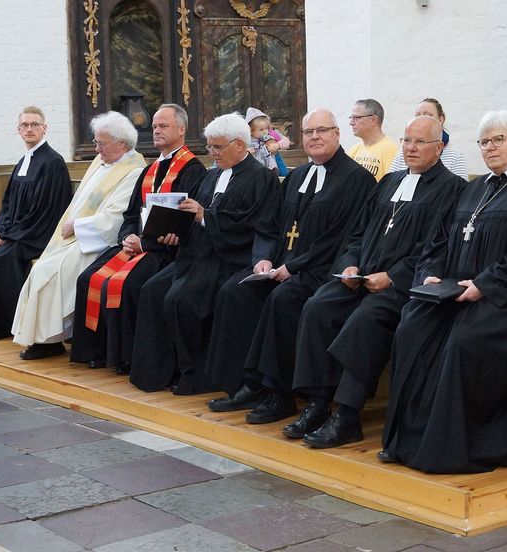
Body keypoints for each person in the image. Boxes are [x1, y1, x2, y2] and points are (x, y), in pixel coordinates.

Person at [381, 111, 507, 473]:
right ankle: (406, 440)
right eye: (484, 142)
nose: (490, 148)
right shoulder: (475, 187)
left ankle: (455, 447)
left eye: (498, 139)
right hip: (461, 291)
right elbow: (439, 241)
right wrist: (432, 275)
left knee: (464, 338)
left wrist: (485, 285)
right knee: (413, 324)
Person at [288, 116, 465, 447]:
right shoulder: (389, 181)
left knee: (367, 319)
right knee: (317, 307)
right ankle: (317, 403)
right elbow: (357, 233)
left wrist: (393, 277)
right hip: (362, 278)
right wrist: (350, 265)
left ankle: (347, 415)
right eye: (407, 140)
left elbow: (437, 248)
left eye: (420, 142)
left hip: (403, 287)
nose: (410, 148)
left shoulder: (452, 188)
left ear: (439, 148)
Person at [205, 109, 376, 418]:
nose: (315, 137)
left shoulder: (356, 179)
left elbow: (338, 238)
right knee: (237, 290)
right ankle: (246, 383)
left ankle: (280, 393)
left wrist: (293, 267)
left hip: (321, 269)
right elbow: (270, 224)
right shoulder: (297, 175)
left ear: (337, 134)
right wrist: (263, 258)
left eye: (322, 130)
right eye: (308, 132)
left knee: (283, 299)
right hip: (282, 265)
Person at [129, 112, 280, 395]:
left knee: (180, 298)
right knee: (151, 290)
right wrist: (174, 231)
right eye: (209, 146)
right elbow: (191, 218)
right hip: (195, 255)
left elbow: (251, 226)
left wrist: (205, 216)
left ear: (239, 144)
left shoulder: (261, 178)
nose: (212, 153)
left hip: (227, 258)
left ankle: (196, 374)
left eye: (217, 147)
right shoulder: (211, 176)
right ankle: (162, 370)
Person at [70, 104, 206, 374]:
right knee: (89, 278)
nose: (156, 131)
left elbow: (184, 223)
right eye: (154, 126)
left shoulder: (193, 169)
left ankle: (126, 357)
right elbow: (130, 213)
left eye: (163, 126)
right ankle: (99, 350)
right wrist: (128, 236)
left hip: (165, 251)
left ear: (181, 129)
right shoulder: (149, 170)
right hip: (137, 244)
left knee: (128, 285)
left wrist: (145, 244)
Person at [12, 111, 146, 360]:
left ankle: (50, 339)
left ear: (121, 143)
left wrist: (78, 226)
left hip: (97, 242)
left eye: (101, 143)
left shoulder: (134, 171)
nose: (97, 149)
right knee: (41, 268)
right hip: (77, 236)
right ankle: (47, 337)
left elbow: (115, 217)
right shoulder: (101, 162)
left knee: (50, 273)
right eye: (96, 142)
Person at [0, 106, 72, 342]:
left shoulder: (53, 163)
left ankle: (2, 326)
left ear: (44, 128)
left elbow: (44, 212)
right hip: (15, 233)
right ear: (18, 130)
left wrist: (9, 236)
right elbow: (8, 205)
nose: (29, 129)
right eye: (25, 125)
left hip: (36, 235)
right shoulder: (23, 161)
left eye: (34, 125)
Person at [388, 98, 469, 180]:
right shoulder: (403, 154)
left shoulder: (455, 157)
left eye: (427, 115)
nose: (421, 119)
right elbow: (390, 182)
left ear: (441, 120)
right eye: (417, 116)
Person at [347, 99, 398, 181]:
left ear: (373, 120)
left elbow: (391, 184)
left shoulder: (391, 149)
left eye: (356, 118)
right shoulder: (353, 150)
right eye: (351, 117)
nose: (351, 123)